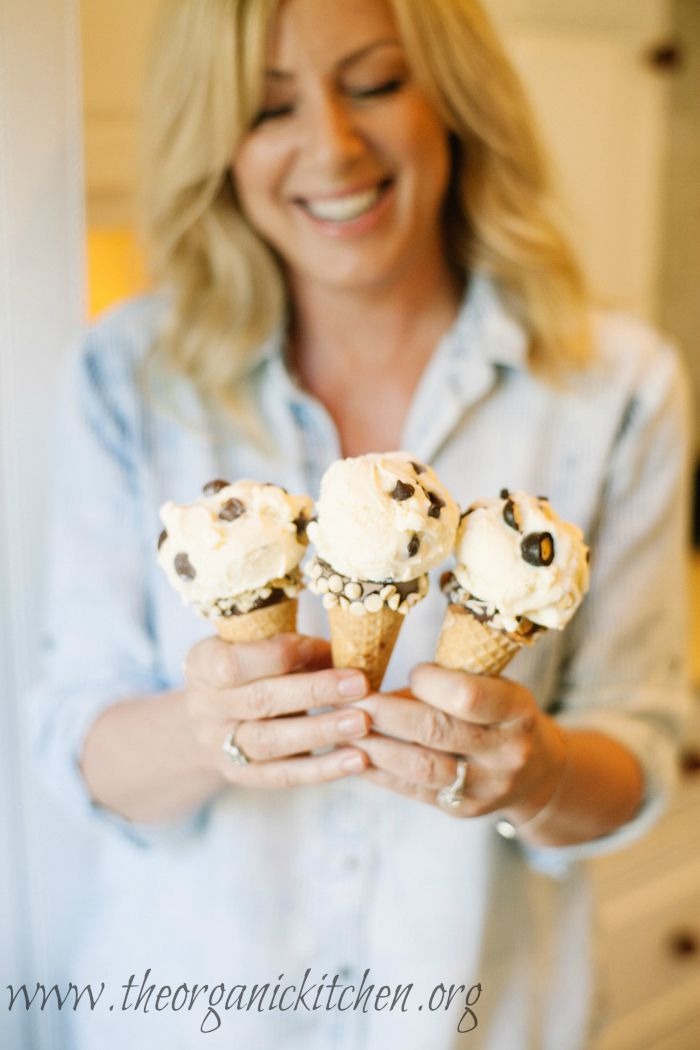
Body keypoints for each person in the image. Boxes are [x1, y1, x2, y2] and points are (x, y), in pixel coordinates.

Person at [33, 0, 691, 1047]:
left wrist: (543, 768)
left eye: (375, 82)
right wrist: (203, 731)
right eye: (267, 106)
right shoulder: (126, 375)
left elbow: (643, 749)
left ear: (453, 100)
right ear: (217, 138)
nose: (332, 146)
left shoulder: (614, 387)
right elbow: (72, 745)